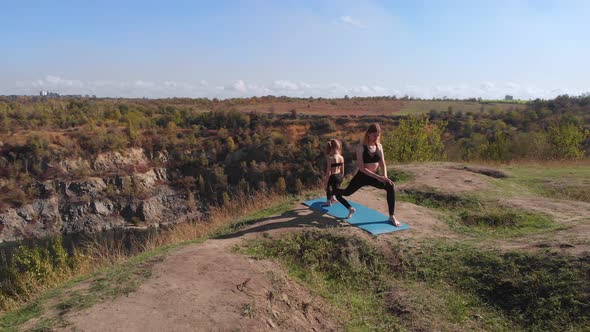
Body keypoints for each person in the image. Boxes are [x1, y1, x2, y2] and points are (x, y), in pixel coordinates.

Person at [335, 123, 401, 227]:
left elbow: (382, 163)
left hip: (375, 176)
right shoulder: (361, 147)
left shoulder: (379, 146)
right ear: (369, 134)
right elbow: (362, 168)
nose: (376, 137)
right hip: (362, 177)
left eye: (378, 135)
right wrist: (378, 177)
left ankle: (391, 216)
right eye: (374, 135)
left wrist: (385, 176)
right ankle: (333, 191)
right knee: (346, 193)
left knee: (390, 186)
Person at [322, 139, 344, 207]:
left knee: (327, 187)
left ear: (330, 148)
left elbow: (329, 171)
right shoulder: (341, 157)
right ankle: (333, 198)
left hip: (333, 176)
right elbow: (342, 170)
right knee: (335, 188)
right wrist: (341, 178)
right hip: (339, 176)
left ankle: (328, 201)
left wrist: (326, 181)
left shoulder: (330, 157)